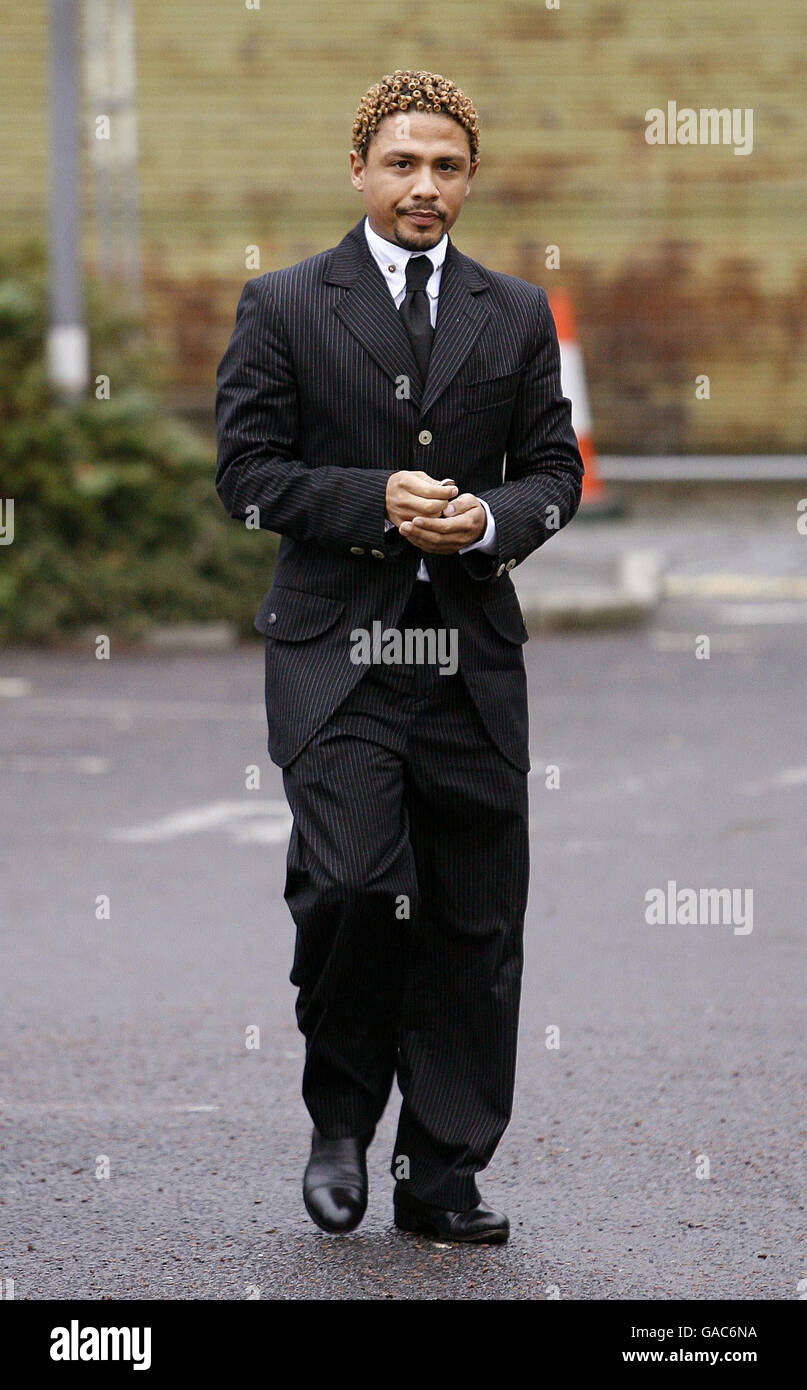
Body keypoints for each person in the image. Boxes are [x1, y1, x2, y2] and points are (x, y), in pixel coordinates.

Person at [215, 69, 583, 1243]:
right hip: (340, 651)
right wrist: (375, 497)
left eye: (448, 166)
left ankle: (442, 1171)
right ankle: (340, 1117)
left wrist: (484, 520)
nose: (426, 185)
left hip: (468, 655)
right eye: (403, 163)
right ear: (361, 168)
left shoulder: (516, 311)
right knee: (356, 885)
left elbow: (553, 475)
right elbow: (249, 475)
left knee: (476, 921)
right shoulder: (283, 303)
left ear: (469, 178)